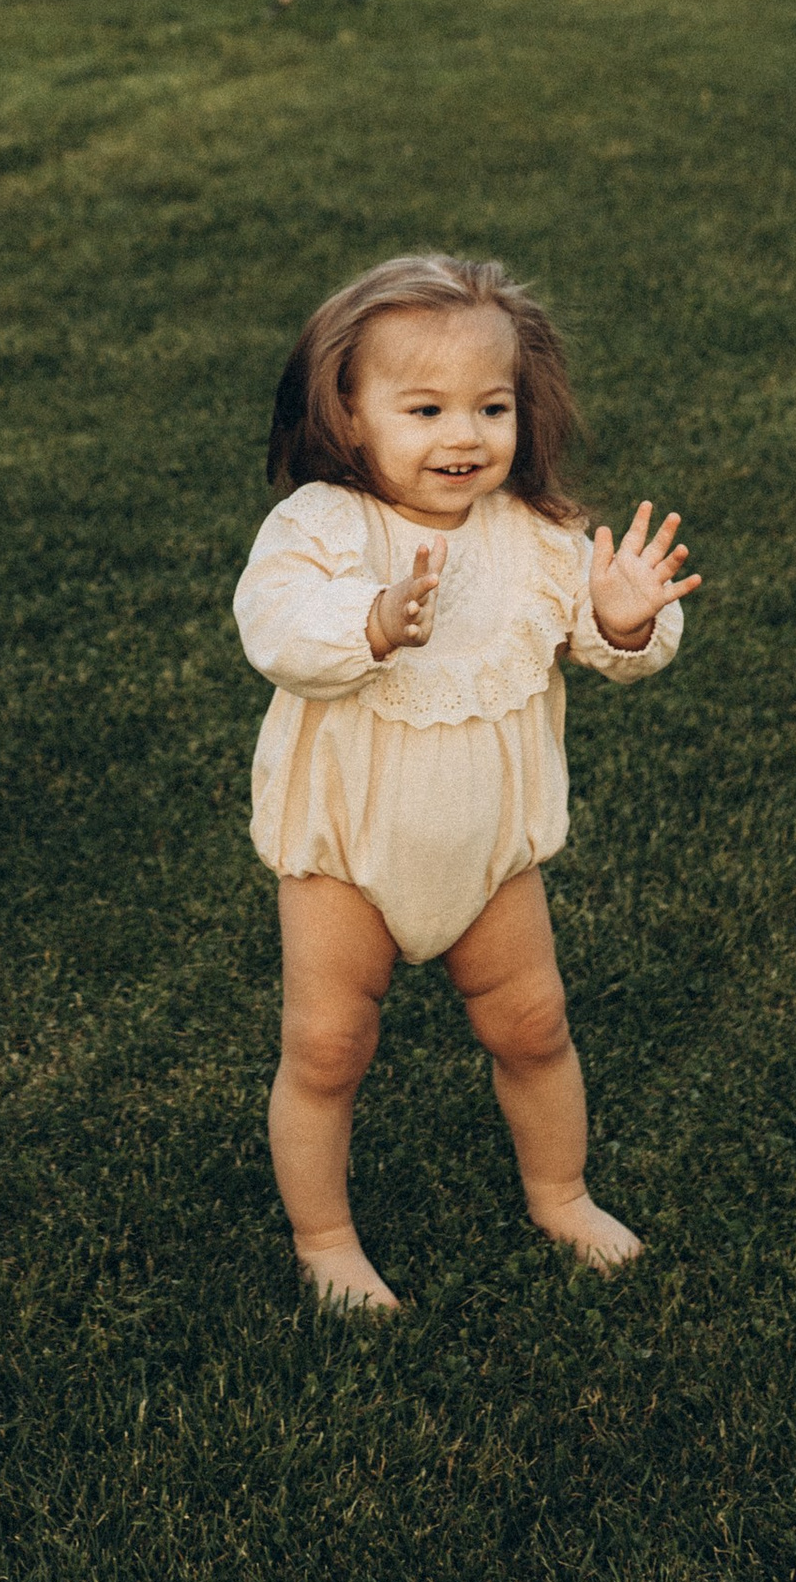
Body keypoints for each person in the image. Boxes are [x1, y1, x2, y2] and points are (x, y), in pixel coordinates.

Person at [233, 252, 698, 1313]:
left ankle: (561, 1192)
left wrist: (624, 617)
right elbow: (275, 629)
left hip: (490, 852)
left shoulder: (534, 538)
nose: (464, 435)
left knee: (533, 1027)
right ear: (347, 416)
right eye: (426, 407)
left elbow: (605, 637)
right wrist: (370, 620)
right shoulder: (322, 527)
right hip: (347, 849)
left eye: (491, 407)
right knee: (327, 1044)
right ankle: (326, 1239)